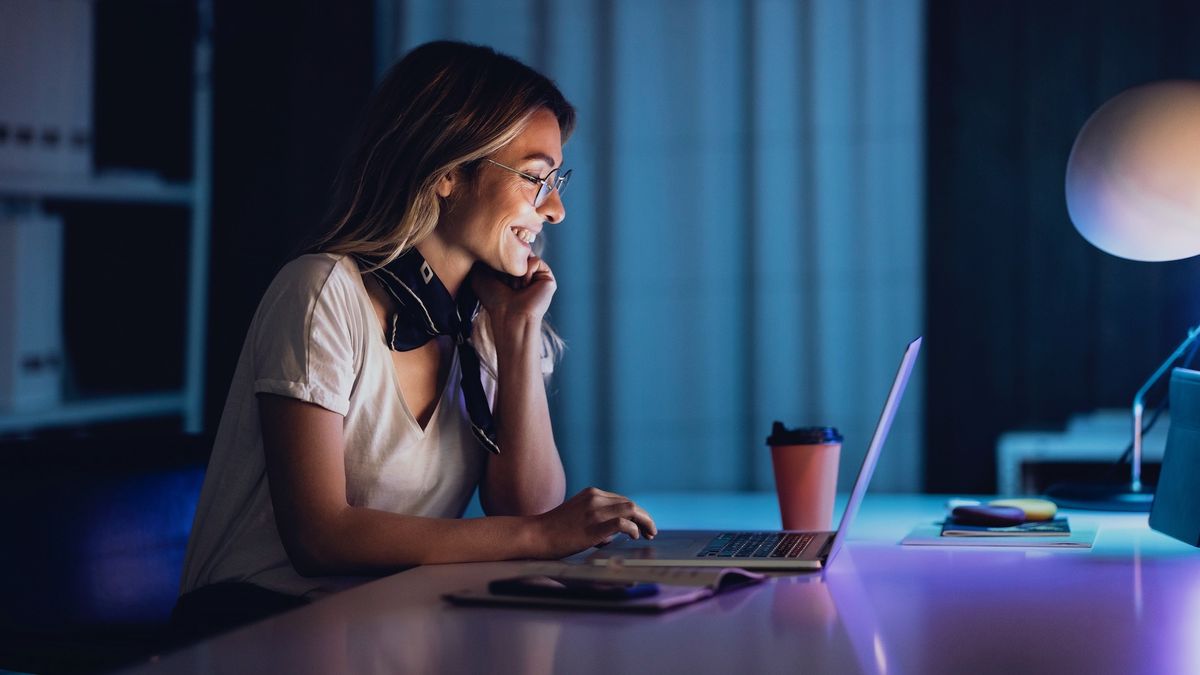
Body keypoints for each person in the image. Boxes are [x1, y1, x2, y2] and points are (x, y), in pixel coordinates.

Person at [170, 40, 656, 643]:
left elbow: (528, 509)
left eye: (556, 180)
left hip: (383, 624)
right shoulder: (323, 290)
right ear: (448, 172)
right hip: (254, 628)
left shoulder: (484, 320)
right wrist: (541, 537)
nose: (554, 208)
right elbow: (319, 537)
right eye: (534, 178)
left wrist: (519, 331)